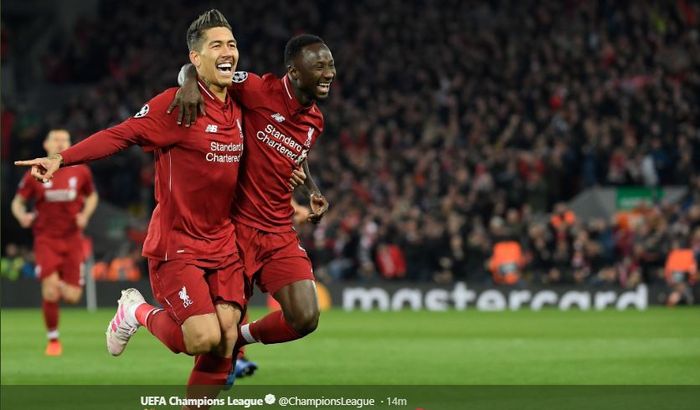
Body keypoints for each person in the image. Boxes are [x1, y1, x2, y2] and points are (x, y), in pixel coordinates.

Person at [15, 10, 254, 397]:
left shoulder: (241, 101)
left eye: (232, 44)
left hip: (223, 243)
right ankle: (135, 311)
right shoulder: (177, 107)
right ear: (195, 57)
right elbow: (121, 134)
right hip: (179, 243)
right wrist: (63, 158)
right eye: (216, 45)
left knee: (225, 341)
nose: (228, 52)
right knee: (201, 339)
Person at [174, 34, 334, 372]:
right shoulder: (259, 89)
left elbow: (297, 157)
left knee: (305, 318)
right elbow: (206, 71)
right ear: (293, 71)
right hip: (236, 227)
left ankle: (241, 342)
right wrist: (188, 81)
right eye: (319, 65)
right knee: (215, 339)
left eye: (331, 65)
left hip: (278, 230)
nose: (329, 72)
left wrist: (312, 191)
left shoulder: (315, 121)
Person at [11, 129, 98, 356]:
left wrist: (85, 215)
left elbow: (92, 196)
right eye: (56, 139)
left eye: (65, 140)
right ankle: (53, 340)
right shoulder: (35, 171)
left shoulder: (81, 171)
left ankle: (57, 284)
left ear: (70, 144)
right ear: (46, 144)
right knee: (49, 292)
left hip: (72, 239)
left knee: (72, 296)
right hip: (46, 238)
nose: (60, 143)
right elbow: (18, 202)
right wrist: (22, 216)